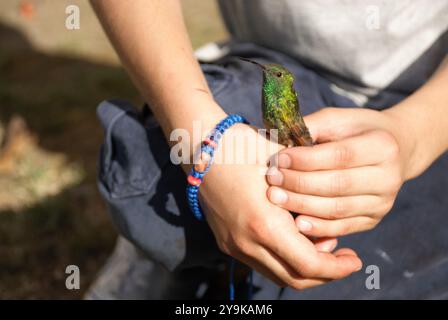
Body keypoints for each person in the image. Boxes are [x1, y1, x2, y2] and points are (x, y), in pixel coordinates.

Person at [86, 0, 448, 299]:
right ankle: (170, 255)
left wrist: (411, 137)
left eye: (270, 79)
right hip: (277, 58)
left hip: (431, 114)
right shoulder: (272, 84)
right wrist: (207, 141)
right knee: (151, 170)